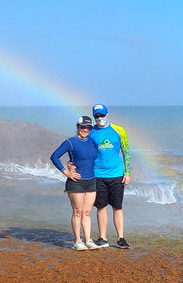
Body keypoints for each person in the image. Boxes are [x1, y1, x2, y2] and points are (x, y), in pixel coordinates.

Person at [50, 116, 100, 251]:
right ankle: (78, 241)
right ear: (78, 127)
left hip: (91, 181)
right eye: (83, 127)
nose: (85, 129)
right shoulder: (70, 142)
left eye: (88, 127)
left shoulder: (93, 142)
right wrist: (66, 172)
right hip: (76, 182)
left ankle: (88, 240)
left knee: (87, 212)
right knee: (78, 212)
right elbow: (54, 156)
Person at [89, 103, 132, 249]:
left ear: (107, 114)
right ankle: (102, 238)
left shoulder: (119, 130)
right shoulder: (91, 132)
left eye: (102, 115)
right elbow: (83, 151)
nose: (100, 118)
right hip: (97, 175)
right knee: (101, 207)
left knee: (117, 207)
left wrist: (127, 173)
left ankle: (121, 238)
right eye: (97, 116)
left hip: (117, 175)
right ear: (94, 117)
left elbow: (126, 152)